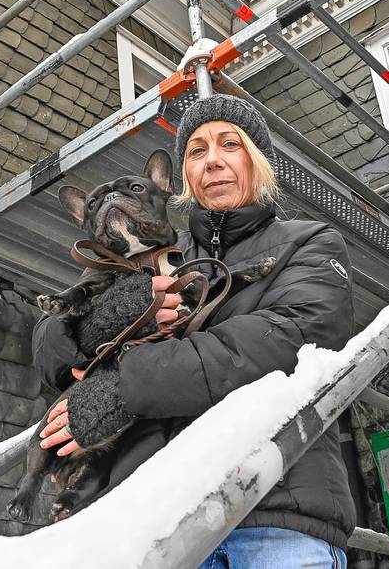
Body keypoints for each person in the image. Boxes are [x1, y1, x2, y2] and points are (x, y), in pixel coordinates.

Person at [32, 94, 356, 568]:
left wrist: (124, 386)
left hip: (273, 510)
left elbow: (290, 340)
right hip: (158, 521)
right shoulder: (154, 257)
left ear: (257, 160)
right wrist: (98, 326)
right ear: (184, 176)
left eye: (230, 144)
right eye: (197, 151)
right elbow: (48, 345)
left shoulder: (308, 243)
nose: (214, 160)